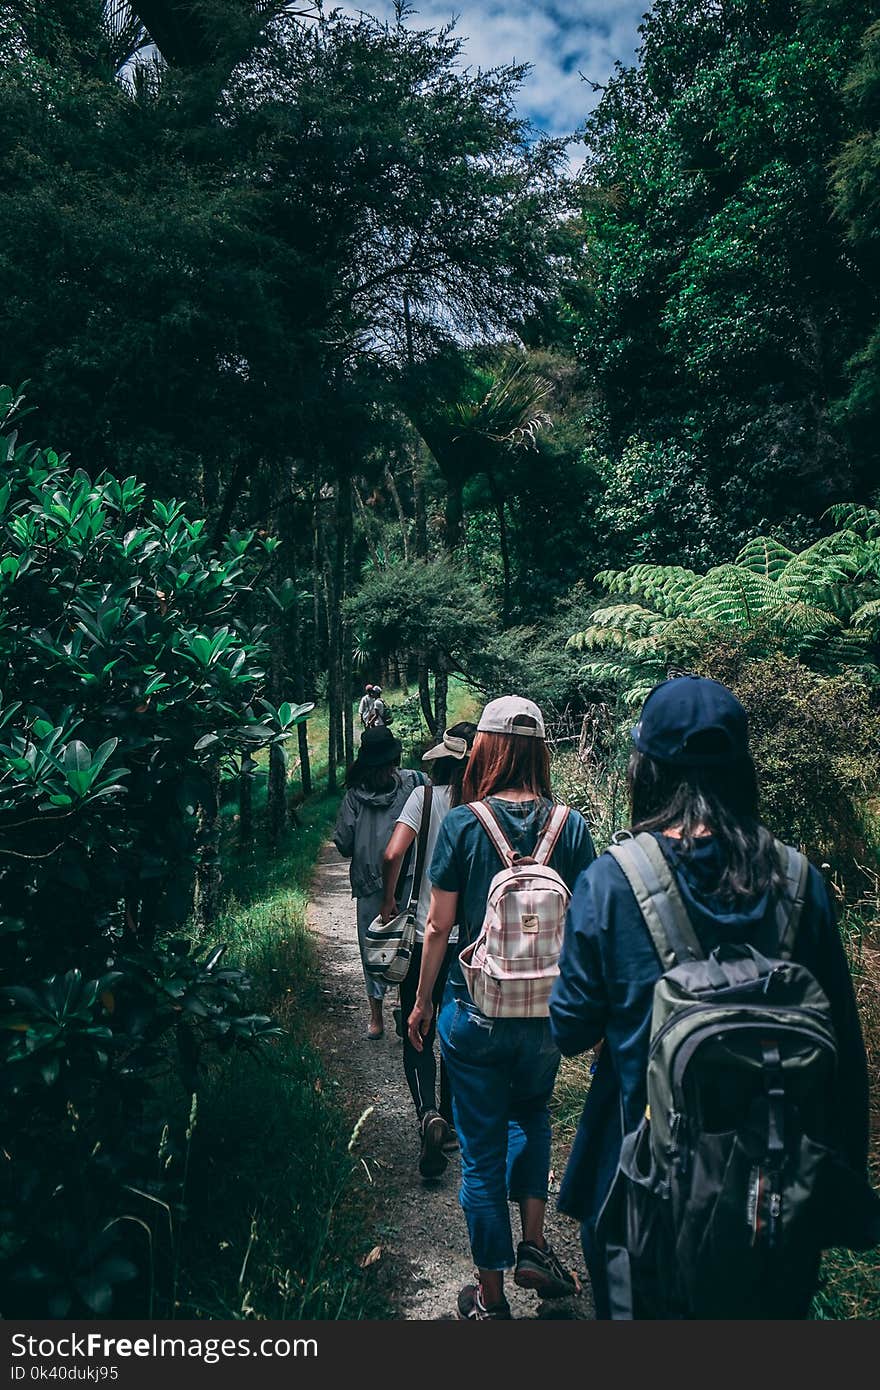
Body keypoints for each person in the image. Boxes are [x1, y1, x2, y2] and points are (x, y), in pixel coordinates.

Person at [549, 675, 872, 1319]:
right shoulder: (799, 882)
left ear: (648, 769)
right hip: (774, 1197)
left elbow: (571, 1029)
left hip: (642, 1196)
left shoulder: (612, 882)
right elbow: (845, 1054)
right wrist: (842, 1192)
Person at [407, 696, 596, 1319]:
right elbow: (589, 922)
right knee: (533, 1115)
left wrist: (423, 1000)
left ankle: (490, 1300)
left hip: (475, 1008)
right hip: (545, 1014)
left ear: (484, 748)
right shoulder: (570, 825)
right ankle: (535, 1246)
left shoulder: (465, 824)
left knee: (481, 1152)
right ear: (540, 749)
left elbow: (437, 928)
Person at [381, 722, 478, 1180]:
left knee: (416, 1027)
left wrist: (388, 899)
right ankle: (453, 1120)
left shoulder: (424, 798)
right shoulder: (484, 808)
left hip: (424, 935)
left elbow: (391, 853)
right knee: (454, 1032)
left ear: (441, 759)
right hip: (472, 945)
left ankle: (427, 1114)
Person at [333, 727, 426, 1038]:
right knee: (381, 948)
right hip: (384, 882)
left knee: (396, 946)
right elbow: (345, 842)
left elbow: (344, 843)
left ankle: (395, 1012)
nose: (388, 770)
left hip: (404, 878)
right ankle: (378, 1015)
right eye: (384, 765)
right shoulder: (359, 797)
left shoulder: (414, 783)